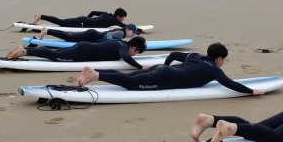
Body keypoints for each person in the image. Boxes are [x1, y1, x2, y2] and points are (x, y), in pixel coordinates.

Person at [76, 42, 265, 95]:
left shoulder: (194, 55)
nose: (223, 63)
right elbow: (230, 84)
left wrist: (163, 68)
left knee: (132, 77)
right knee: (131, 84)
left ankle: (91, 74)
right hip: (165, 78)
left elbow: (174, 55)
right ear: (219, 59)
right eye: (223, 60)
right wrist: (252, 91)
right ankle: (96, 75)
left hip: (161, 70)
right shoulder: (213, 70)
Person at [5, 36, 147, 69]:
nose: (134, 55)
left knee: (57, 51)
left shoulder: (119, 41)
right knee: (57, 56)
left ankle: (24, 49)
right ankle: (24, 51)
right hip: (83, 53)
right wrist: (140, 67)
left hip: (83, 46)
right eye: (136, 53)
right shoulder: (123, 47)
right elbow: (124, 56)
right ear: (133, 48)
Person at [32, 8, 128, 29]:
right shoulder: (114, 20)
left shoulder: (108, 14)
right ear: (119, 16)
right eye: (123, 17)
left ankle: (41, 16)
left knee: (62, 22)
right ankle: (40, 16)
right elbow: (126, 27)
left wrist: (88, 20)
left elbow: (93, 12)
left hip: (83, 20)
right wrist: (140, 30)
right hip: (83, 23)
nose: (123, 20)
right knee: (61, 23)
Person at [38, 23, 141, 43]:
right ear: (129, 30)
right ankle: (47, 30)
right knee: (69, 38)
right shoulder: (121, 33)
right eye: (133, 33)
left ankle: (48, 31)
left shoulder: (122, 33)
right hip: (92, 35)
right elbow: (108, 36)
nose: (133, 35)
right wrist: (111, 43)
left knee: (70, 37)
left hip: (93, 35)